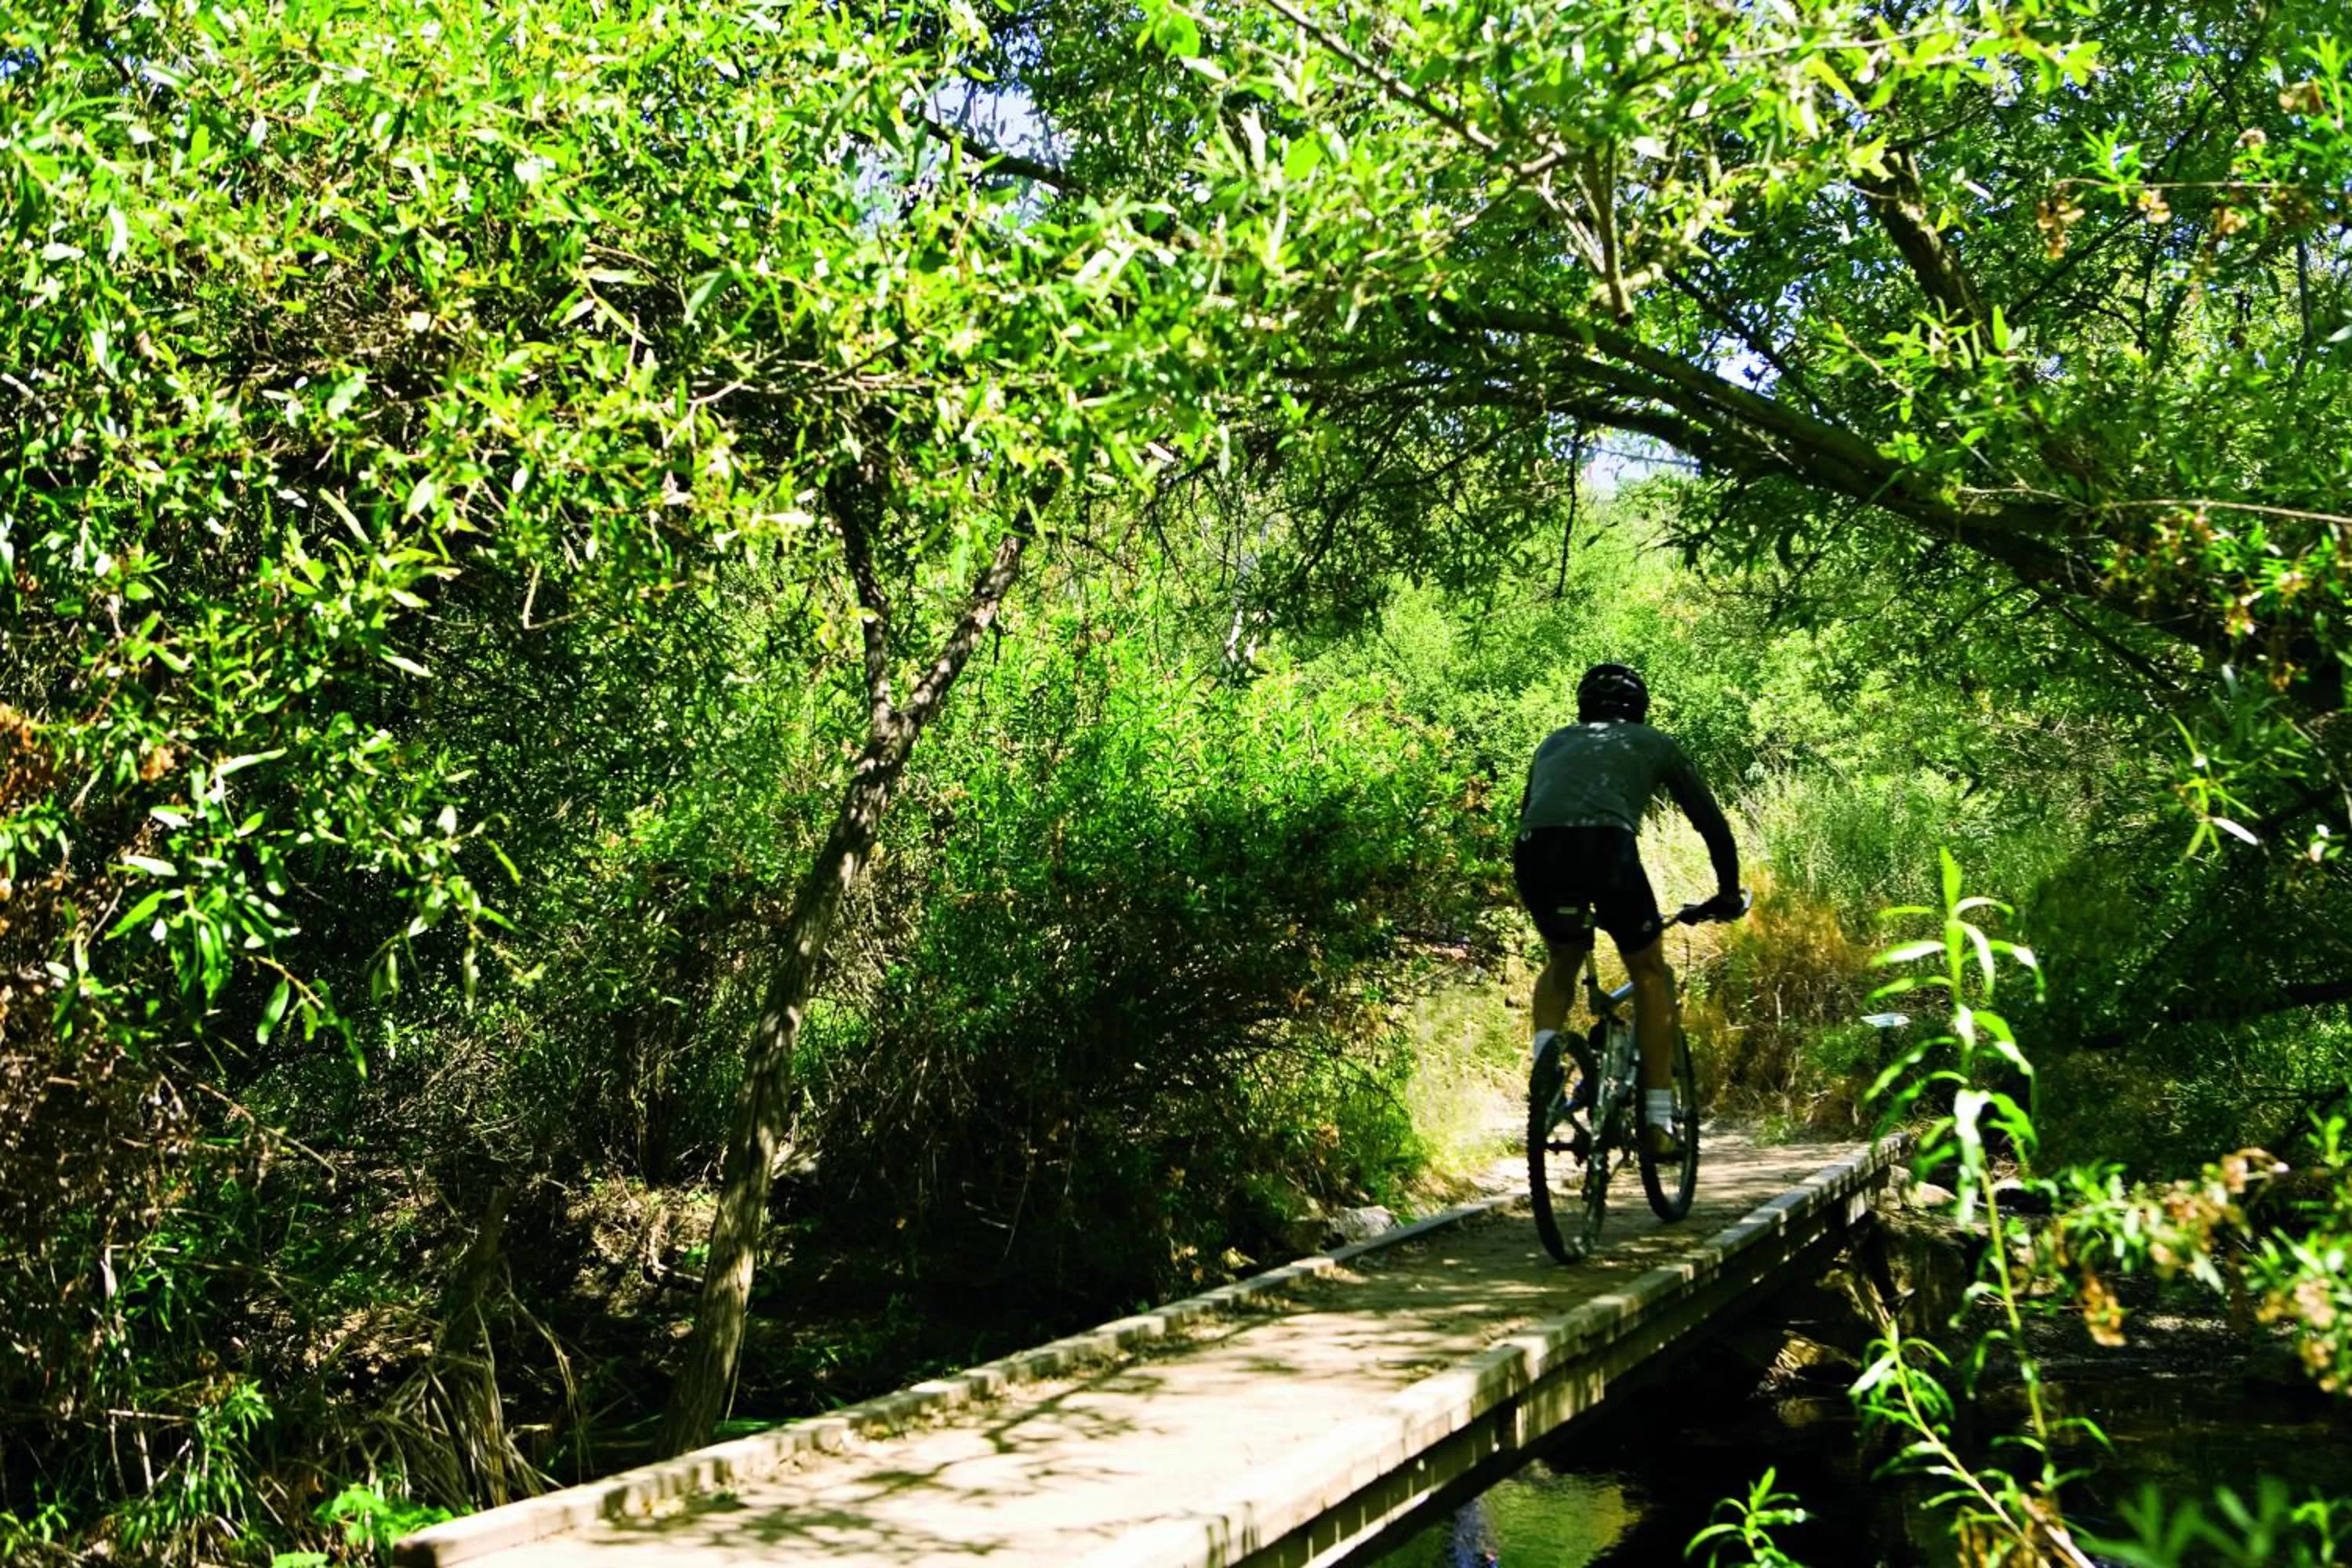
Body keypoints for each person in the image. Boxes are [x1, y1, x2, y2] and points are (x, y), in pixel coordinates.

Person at [1514, 663, 1744, 1151]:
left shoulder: (1554, 742)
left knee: (1562, 960)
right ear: (1640, 709)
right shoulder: (1654, 742)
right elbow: (1710, 823)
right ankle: (1658, 1125)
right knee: (1648, 972)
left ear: (1582, 708)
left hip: (1538, 851)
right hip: (1607, 850)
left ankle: (1545, 1072)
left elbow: (1531, 810)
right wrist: (1728, 891)